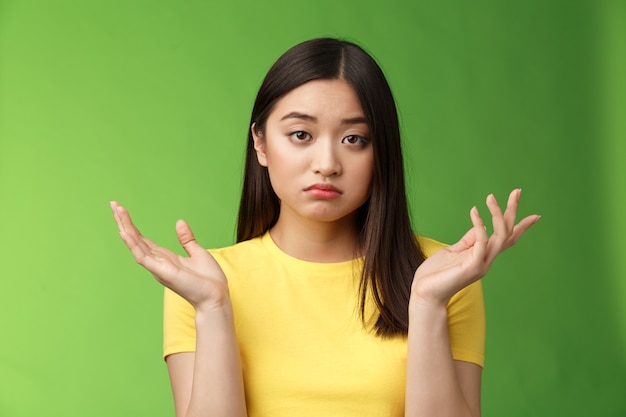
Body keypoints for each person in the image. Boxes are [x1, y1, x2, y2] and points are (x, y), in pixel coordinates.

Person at [111, 38, 539, 417]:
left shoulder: (442, 274)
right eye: (301, 134)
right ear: (260, 143)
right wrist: (213, 310)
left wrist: (426, 303)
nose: (327, 164)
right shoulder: (202, 283)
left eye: (354, 139)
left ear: (381, 152)